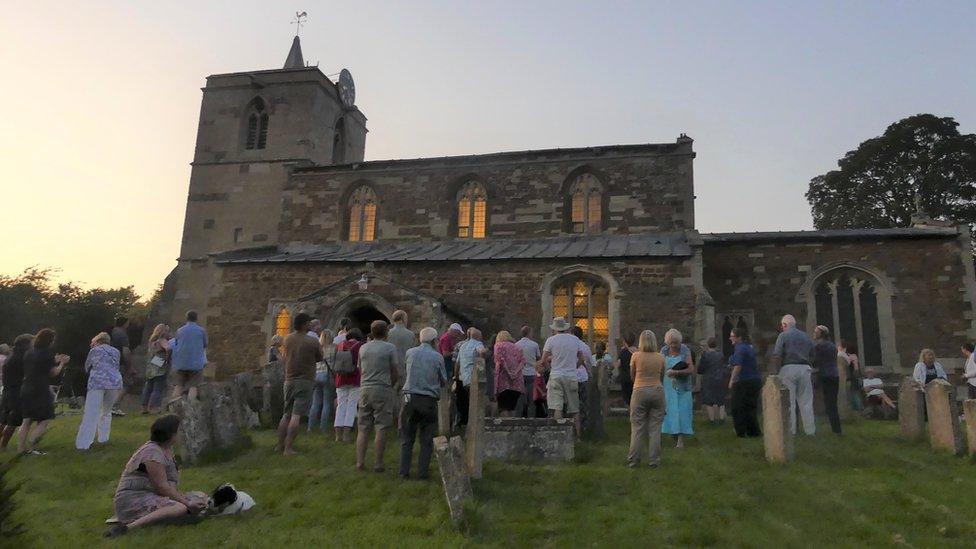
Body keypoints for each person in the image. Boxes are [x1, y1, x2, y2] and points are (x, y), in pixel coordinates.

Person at [106, 415, 207, 538]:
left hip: (152, 495)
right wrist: (187, 503)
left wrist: (188, 501)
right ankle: (127, 528)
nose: (181, 433)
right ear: (170, 434)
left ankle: (169, 518)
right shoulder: (152, 452)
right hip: (133, 500)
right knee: (180, 507)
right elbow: (161, 487)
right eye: (178, 431)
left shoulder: (166, 449)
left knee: (200, 497)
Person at [399, 327, 447, 479]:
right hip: (428, 400)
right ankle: (422, 473)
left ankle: (403, 472)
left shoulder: (410, 353)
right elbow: (443, 380)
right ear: (434, 341)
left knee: (407, 438)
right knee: (426, 439)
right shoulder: (437, 357)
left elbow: (406, 372)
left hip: (410, 397)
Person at [356, 320, 399, 472]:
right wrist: (390, 385)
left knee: (363, 427)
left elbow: (360, 369)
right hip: (382, 388)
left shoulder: (363, 348)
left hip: (365, 388)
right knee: (381, 426)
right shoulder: (389, 348)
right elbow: (394, 371)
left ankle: (360, 462)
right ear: (386, 332)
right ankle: (378, 463)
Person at [18, 328, 70, 455]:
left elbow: (38, 365)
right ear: (49, 340)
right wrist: (62, 363)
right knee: (45, 418)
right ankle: (31, 446)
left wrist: (55, 360)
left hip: (26, 387)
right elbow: (53, 373)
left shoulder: (29, 352)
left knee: (27, 419)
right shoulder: (47, 353)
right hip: (40, 389)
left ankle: (20, 448)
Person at [277, 313, 322, 455]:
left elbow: (285, 356)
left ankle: (279, 445)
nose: (310, 325)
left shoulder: (287, 339)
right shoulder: (312, 341)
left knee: (286, 414)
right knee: (296, 415)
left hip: (289, 380)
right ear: (304, 325)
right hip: (305, 380)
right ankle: (288, 448)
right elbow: (320, 357)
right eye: (308, 323)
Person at [76, 332, 124, 450]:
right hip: (114, 382)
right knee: (106, 411)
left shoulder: (94, 351)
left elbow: (87, 366)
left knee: (91, 412)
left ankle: (84, 443)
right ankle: (103, 437)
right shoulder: (116, 351)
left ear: (97, 341)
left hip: (98, 382)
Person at [771, 314, 815, 436]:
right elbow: (813, 353)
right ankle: (810, 431)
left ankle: (792, 431)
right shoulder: (806, 336)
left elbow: (777, 354)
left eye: (782, 325)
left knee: (789, 401)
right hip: (805, 368)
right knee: (806, 401)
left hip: (788, 368)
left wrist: (775, 371)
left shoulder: (783, 335)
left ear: (784, 325)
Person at [627, 330, 666, 468]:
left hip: (639, 390)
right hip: (657, 389)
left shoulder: (635, 356)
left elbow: (632, 375)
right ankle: (654, 460)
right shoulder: (660, 357)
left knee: (637, 427)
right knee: (655, 428)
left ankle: (634, 460)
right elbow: (662, 375)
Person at [540, 317, 584, 436]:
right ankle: (578, 436)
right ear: (565, 327)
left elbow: (543, 360)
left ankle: (559, 435)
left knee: (557, 406)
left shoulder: (551, 340)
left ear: (555, 329)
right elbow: (581, 357)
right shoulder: (575, 340)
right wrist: (574, 367)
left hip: (556, 375)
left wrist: (550, 369)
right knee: (574, 408)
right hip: (571, 375)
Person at [661, 329, 695, 448]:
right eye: (671, 343)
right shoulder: (664, 351)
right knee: (670, 411)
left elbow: (691, 369)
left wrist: (676, 372)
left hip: (683, 386)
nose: (674, 346)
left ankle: (681, 439)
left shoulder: (685, 350)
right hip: (668, 386)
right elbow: (660, 367)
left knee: (682, 411)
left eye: (676, 343)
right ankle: (673, 433)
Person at [728, 327, 762, 438]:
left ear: (739, 338)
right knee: (750, 407)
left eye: (732, 336)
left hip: (744, 381)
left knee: (737, 407)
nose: (730, 338)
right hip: (755, 380)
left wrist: (732, 380)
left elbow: (738, 365)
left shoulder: (740, 348)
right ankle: (754, 432)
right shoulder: (748, 347)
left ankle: (741, 432)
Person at [0, 334, 32, 451]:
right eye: (31, 343)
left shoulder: (11, 355)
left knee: (4, 419)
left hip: (7, 391)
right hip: (16, 392)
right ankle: (3, 446)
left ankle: (2, 446)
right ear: (25, 344)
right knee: (13, 421)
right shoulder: (21, 357)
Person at [334, 328, 364, 443]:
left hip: (341, 377)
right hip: (355, 378)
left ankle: (338, 435)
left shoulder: (341, 344)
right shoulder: (360, 345)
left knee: (341, 405)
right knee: (351, 405)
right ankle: (346, 434)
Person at [171, 310, 208, 400]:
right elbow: (205, 344)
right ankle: (190, 406)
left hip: (181, 362)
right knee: (193, 386)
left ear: (186, 318)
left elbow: (176, 343)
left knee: (178, 386)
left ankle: (173, 406)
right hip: (195, 363)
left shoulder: (180, 330)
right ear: (196, 318)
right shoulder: (201, 330)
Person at [812, 326, 841, 435]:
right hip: (834, 375)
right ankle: (837, 429)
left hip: (825, 376)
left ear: (821, 334)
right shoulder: (832, 345)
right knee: (832, 404)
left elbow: (815, 361)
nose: (814, 333)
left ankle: (834, 430)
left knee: (828, 404)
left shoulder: (819, 346)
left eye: (816, 332)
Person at [454, 328, 487, 427]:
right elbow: (481, 351)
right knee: (475, 404)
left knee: (465, 403)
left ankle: (465, 424)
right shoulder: (478, 344)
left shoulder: (463, 345)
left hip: (463, 378)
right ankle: (474, 425)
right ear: (478, 336)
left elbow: (457, 363)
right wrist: (483, 354)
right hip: (474, 378)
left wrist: (456, 377)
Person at [387, 310, 416, 420]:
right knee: (405, 394)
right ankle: (402, 417)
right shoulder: (410, 334)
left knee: (391, 393)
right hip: (405, 367)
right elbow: (412, 351)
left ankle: (391, 416)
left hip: (391, 368)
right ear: (403, 319)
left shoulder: (388, 334)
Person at [308, 329, 336, 434]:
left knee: (315, 403)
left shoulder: (317, 348)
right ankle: (323, 428)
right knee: (326, 403)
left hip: (316, 376)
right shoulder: (334, 348)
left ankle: (310, 427)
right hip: (328, 376)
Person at [492, 331, 525, 418]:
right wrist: (515, 372)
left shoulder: (498, 346)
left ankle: (505, 428)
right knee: (512, 407)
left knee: (503, 407)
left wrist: (509, 373)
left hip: (504, 381)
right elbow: (523, 362)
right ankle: (512, 428)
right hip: (517, 382)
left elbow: (500, 361)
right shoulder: (518, 347)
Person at [142, 324, 171, 415]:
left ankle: (144, 407)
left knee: (148, 387)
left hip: (150, 366)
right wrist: (167, 358)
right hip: (159, 365)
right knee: (158, 387)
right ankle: (154, 407)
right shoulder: (162, 340)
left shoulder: (151, 342)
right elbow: (168, 348)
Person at [697, 338, 727, 425]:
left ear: (708, 345)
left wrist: (700, 370)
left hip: (708, 379)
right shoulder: (720, 355)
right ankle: (721, 419)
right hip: (719, 378)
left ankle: (712, 420)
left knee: (709, 400)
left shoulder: (705, 355)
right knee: (720, 400)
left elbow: (700, 369)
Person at [514, 326, 541, 418]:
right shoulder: (534, 345)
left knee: (520, 397)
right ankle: (531, 418)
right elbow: (538, 357)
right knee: (531, 397)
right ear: (529, 333)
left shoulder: (516, 345)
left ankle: (519, 417)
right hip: (531, 373)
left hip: (520, 373)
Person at [839, 341, 863, 411]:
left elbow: (856, 368)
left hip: (854, 378)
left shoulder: (852, 357)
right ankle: (856, 409)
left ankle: (859, 409)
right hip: (855, 377)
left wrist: (854, 376)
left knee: (854, 393)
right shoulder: (852, 356)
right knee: (854, 393)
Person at [615, 333, 636, 406]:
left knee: (627, 398)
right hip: (634, 378)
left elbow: (618, 364)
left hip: (624, 378)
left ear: (624, 341)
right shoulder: (636, 352)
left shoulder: (623, 352)